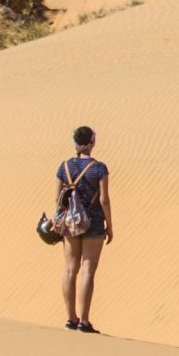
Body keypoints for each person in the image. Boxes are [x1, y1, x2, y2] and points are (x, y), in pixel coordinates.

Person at [55, 125, 112, 333]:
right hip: (94, 223)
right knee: (87, 270)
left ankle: (70, 319)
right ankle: (84, 322)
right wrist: (110, 226)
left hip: (71, 223)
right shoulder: (99, 168)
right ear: (91, 143)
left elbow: (57, 199)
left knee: (70, 269)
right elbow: (104, 200)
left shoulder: (64, 167)